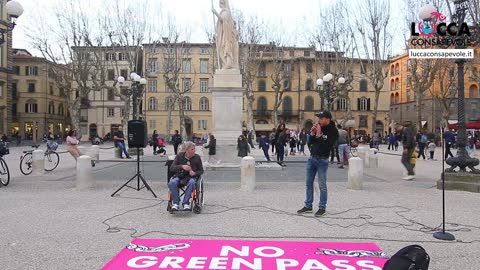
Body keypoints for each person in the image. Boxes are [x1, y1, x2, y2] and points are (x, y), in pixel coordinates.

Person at [297, 111, 338, 217]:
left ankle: (322, 207)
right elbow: (310, 143)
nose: (318, 120)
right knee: (308, 183)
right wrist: (312, 134)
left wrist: (319, 135)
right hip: (312, 158)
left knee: (322, 185)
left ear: (327, 119)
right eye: (318, 118)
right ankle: (308, 206)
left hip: (322, 160)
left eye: (321, 118)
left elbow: (328, 147)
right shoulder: (319, 127)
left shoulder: (333, 131)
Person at [168, 142, 204, 211]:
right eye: (192, 149)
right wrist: (182, 166)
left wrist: (194, 173)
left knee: (192, 183)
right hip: (180, 176)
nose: (194, 151)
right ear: (187, 150)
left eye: (194, 149)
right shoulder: (179, 156)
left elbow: (201, 171)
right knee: (172, 182)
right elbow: (172, 168)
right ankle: (176, 203)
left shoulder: (197, 157)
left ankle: (186, 203)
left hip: (191, 177)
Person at [212, 0, 239, 69]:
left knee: (226, 48)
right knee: (222, 48)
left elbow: (223, 20)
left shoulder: (226, 12)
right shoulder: (224, 12)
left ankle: (228, 62)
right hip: (224, 33)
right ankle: (225, 63)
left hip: (227, 35)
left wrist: (215, 13)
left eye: (221, 2)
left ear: (224, 3)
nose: (219, 4)